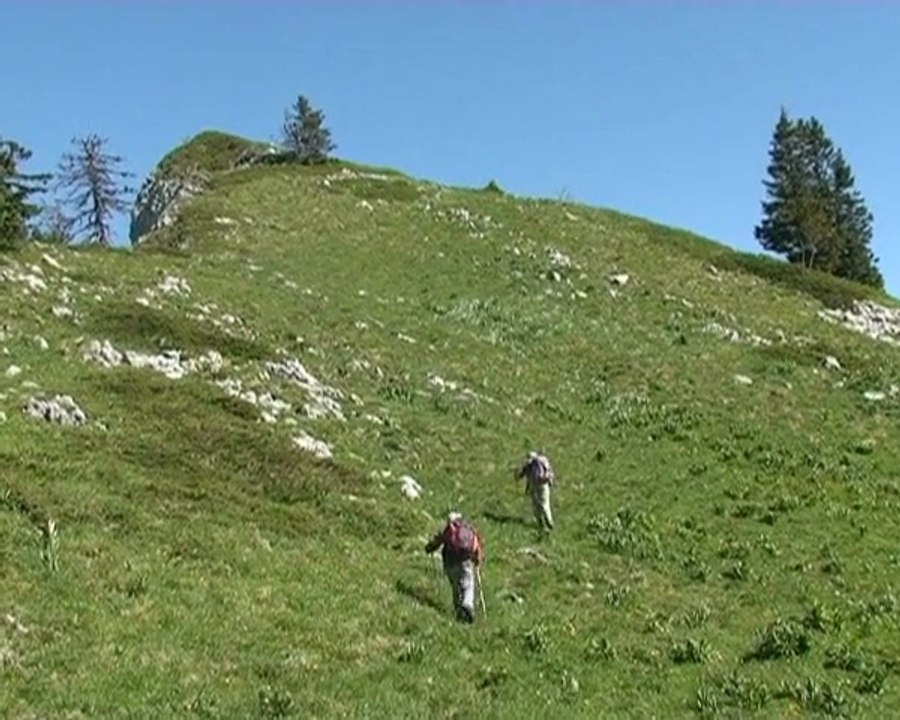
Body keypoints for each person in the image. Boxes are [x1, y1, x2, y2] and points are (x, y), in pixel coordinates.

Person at [424, 511, 485, 623]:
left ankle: (458, 610)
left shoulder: (449, 530)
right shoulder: (469, 530)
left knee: (455, 586)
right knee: (467, 584)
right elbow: (476, 547)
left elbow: (437, 542)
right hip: (465, 561)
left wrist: (429, 548)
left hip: (449, 562)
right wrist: (477, 560)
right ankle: (467, 605)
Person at [516, 450, 555, 531]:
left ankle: (545, 522)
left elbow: (521, 474)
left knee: (539, 505)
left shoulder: (532, 464)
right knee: (542, 504)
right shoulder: (539, 463)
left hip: (537, 485)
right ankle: (547, 522)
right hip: (541, 485)